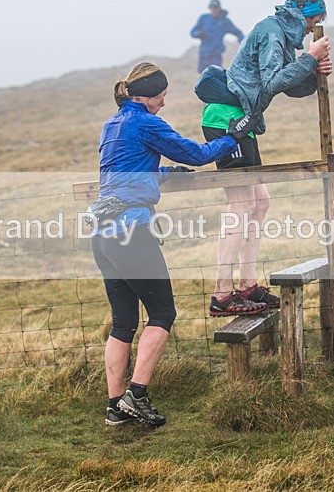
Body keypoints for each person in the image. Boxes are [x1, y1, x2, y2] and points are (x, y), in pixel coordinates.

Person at [92, 62, 255, 426]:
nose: (164, 103)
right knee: (163, 314)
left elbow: (126, 169)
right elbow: (197, 154)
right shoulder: (146, 122)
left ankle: (115, 407)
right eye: (163, 97)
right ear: (149, 97)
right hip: (130, 232)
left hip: (101, 235)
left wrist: (164, 174)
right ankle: (138, 394)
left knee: (123, 323)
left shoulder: (113, 124)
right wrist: (234, 136)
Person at [200, 0, 332, 316]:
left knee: (260, 201)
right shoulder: (273, 33)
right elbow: (274, 81)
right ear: (307, 15)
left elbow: (286, 84)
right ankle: (222, 294)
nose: (312, 30)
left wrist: (314, 71)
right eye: (313, 23)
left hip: (242, 120)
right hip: (227, 121)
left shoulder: (283, 33)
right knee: (242, 202)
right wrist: (309, 59)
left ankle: (247, 284)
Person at [190, 0, 245, 73]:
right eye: (213, 7)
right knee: (202, 76)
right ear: (210, 8)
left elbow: (238, 32)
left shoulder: (224, 22)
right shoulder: (204, 18)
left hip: (216, 56)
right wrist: (199, 34)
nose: (214, 9)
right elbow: (193, 32)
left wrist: (244, 44)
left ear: (219, 8)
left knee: (215, 75)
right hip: (203, 55)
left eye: (216, 7)